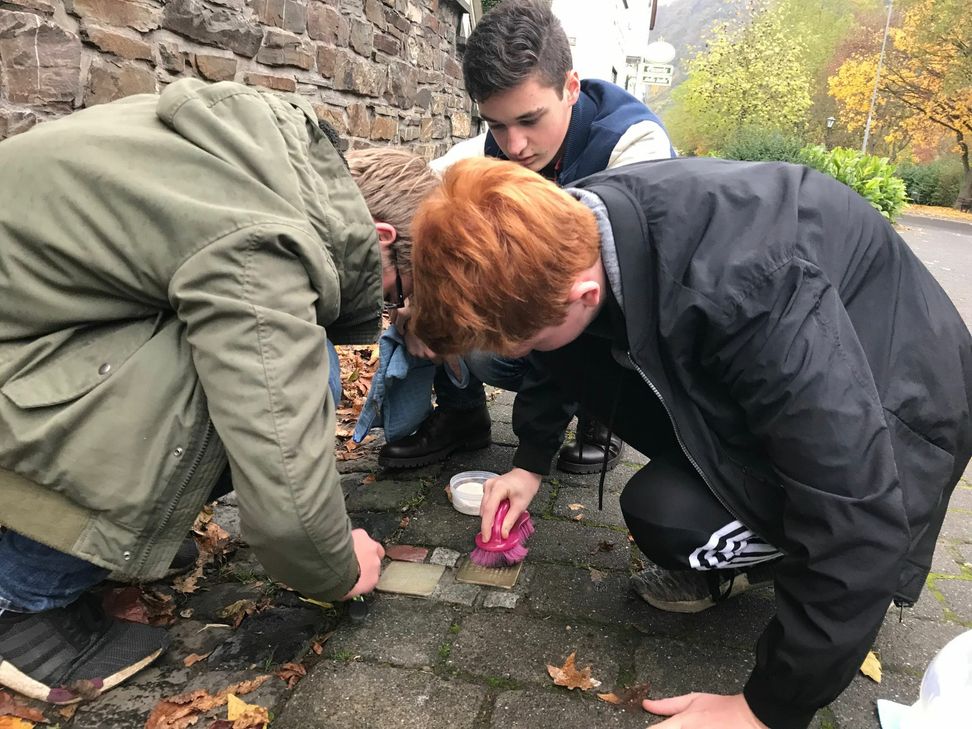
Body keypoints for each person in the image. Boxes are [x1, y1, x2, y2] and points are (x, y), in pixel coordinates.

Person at [409, 156, 972, 729]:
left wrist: (765, 709)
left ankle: (780, 554)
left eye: (527, 343)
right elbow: (562, 356)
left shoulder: (749, 294)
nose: (525, 356)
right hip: (807, 364)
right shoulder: (570, 224)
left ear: (583, 294)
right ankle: (769, 528)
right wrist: (529, 464)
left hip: (902, 413)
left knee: (673, 514)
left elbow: (858, 513)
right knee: (644, 460)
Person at [0, 79, 438, 704]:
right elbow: (274, 435)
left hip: (26, 342)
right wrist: (337, 566)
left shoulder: (249, 158)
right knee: (267, 374)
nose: (388, 308)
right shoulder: (264, 237)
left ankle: (84, 535)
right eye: (398, 292)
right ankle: (18, 598)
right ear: (382, 237)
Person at [377, 0, 675, 474]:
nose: (514, 146)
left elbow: (627, 295)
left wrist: (531, 458)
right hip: (542, 323)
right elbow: (415, 198)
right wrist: (420, 300)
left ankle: (603, 413)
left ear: (570, 88)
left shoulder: (634, 150)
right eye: (496, 124)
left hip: (610, 323)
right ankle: (462, 413)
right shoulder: (491, 148)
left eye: (530, 120)